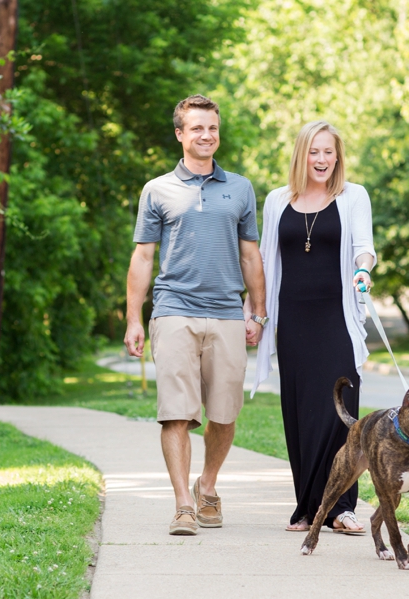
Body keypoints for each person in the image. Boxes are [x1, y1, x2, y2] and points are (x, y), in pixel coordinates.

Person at [124, 95, 267, 536]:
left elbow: (250, 255)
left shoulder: (240, 188)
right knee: (176, 414)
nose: (207, 135)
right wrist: (133, 318)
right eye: (198, 128)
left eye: (213, 128)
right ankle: (184, 504)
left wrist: (257, 314)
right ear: (180, 134)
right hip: (173, 312)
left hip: (226, 313)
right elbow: (143, 258)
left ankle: (207, 485)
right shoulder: (157, 189)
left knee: (224, 415)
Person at [250, 120, 376, 534]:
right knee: (301, 414)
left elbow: (364, 248)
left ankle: (342, 508)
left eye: (328, 152)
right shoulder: (275, 201)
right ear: (301, 155)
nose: (321, 159)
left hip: (335, 319)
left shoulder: (353, 196)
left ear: (338, 156)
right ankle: (307, 507)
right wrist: (257, 313)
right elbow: (264, 264)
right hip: (293, 323)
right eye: (313, 152)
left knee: (340, 415)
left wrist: (363, 272)